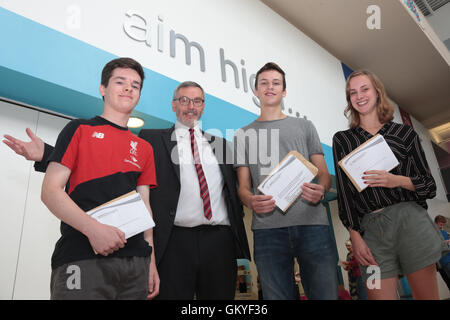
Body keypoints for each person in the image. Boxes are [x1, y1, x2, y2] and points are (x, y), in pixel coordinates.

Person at [4, 81, 250, 300]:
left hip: (220, 240)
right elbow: (113, 164)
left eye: (197, 101)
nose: (190, 106)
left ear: (204, 106)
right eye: (183, 100)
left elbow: (235, 191)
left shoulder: (222, 145)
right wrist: (48, 155)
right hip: (174, 241)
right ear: (173, 105)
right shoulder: (151, 139)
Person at [6, 57, 159, 299]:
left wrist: (150, 259)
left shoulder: (144, 148)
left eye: (136, 85)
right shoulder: (78, 129)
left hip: (135, 265)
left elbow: (145, 207)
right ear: (103, 88)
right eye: (120, 82)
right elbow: (51, 191)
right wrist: (94, 230)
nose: (128, 88)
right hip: (82, 256)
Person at [332, 69, 447, 300]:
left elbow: (428, 185)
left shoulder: (405, 134)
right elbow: (345, 194)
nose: (359, 95)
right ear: (349, 100)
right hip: (370, 231)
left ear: (377, 92)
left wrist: (395, 180)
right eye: (352, 92)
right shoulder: (342, 140)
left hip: (412, 223)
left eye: (364, 89)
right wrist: (354, 235)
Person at [234, 62, 338, 300]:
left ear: (284, 91)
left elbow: (323, 173)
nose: (270, 87)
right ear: (256, 91)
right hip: (268, 230)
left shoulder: (305, 126)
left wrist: (321, 189)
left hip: (313, 225)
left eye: (276, 83)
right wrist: (250, 200)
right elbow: (242, 187)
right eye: (264, 83)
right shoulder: (242, 135)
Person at [434, 215, 450, 290]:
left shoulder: (444, 232)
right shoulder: (431, 234)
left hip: (447, 261)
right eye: (440, 224)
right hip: (440, 264)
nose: (442, 226)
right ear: (435, 223)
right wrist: (444, 243)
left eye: (443, 225)